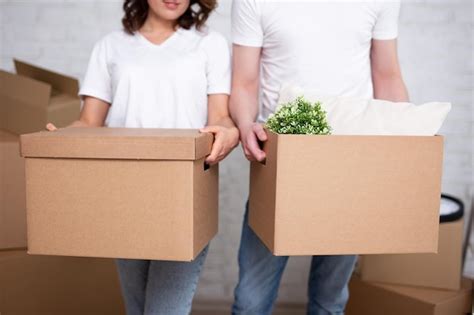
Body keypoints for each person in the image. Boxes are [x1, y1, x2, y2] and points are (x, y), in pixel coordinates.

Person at [47, 0, 238, 314]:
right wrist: (62, 139)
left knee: (164, 310)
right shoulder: (111, 46)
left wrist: (229, 131)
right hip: (124, 191)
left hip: (184, 191)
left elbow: (220, 117)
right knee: (137, 308)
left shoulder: (210, 44)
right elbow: (88, 122)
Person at [229, 0, 408, 314]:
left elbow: (387, 76)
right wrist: (245, 125)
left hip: (351, 161)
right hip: (282, 162)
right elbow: (244, 82)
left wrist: (403, 148)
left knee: (329, 302)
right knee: (250, 302)